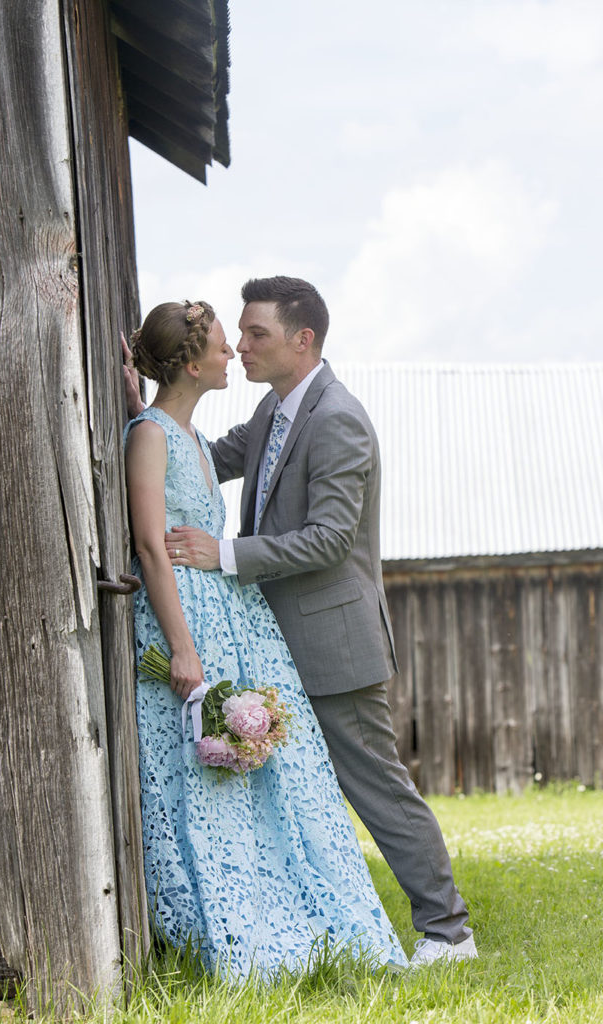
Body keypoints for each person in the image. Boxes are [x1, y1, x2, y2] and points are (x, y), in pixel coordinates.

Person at [125, 277, 477, 965]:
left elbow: (328, 538)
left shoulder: (337, 417)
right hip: (268, 642)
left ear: (302, 340)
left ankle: (447, 930)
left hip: (332, 637)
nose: (242, 345)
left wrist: (220, 553)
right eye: (238, 336)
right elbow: (188, 452)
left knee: (373, 784)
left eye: (256, 334)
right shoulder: (271, 413)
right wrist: (151, 393)